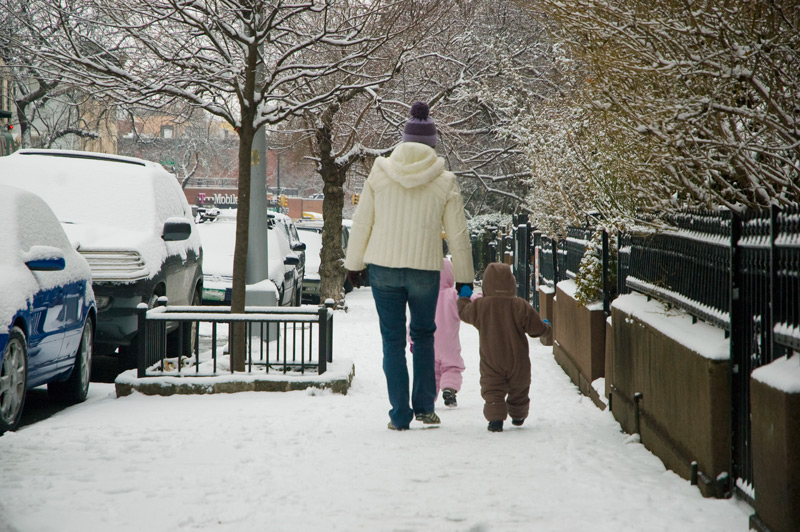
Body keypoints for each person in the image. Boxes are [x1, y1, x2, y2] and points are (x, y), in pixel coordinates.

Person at [344, 101, 474, 431]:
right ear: (432, 145)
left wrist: (353, 265)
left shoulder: (379, 173)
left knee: (392, 342)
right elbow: (458, 235)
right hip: (425, 271)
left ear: (403, 141)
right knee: (424, 337)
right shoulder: (445, 181)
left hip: (383, 269)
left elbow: (362, 224)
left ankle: (399, 414)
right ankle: (425, 408)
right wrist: (464, 279)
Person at [457, 262, 552, 432]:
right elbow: (535, 327)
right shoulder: (519, 305)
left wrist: (463, 299)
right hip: (518, 359)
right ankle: (518, 414)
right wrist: (545, 327)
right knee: (519, 387)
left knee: (492, 387)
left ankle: (495, 419)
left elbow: (464, 313)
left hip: (491, 358)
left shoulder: (481, 306)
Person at [408, 257, 466, 407]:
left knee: (431, 373)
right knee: (451, 367)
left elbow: (414, 320)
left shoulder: (422, 296)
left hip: (427, 343)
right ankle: (449, 389)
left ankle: (428, 400)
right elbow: (468, 297)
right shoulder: (452, 294)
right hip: (449, 345)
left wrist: (412, 340)